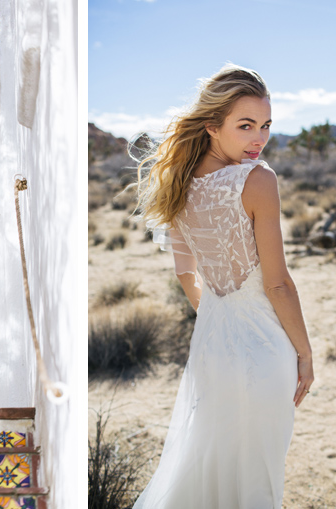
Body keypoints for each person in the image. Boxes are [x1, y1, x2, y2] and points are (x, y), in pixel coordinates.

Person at [132, 64, 314, 509]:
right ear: (213, 127)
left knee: (208, 465)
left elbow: (184, 274)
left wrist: (219, 314)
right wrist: (305, 354)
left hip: (211, 348)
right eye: (246, 125)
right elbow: (278, 285)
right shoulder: (257, 180)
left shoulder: (176, 183)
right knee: (256, 480)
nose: (259, 139)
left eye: (266, 126)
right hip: (265, 350)